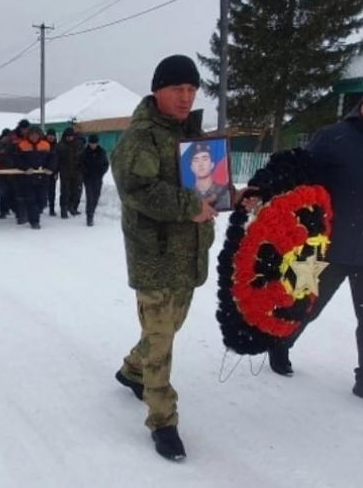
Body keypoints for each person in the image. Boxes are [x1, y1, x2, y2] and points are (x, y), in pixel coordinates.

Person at [267, 78, 363, 413]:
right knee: (306, 304)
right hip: (327, 245)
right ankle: (280, 343)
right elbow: (303, 179)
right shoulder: (333, 138)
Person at [112, 54, 218, 462]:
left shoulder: (193, 135)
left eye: (192, 90)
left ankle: (131, 370)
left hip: (190, 253)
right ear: (158, 89)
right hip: (154, 254)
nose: (186, 97)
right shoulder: (142, 136)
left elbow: (207, 187)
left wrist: (227, 197)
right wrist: (189, 205)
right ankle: (163, 420)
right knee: (162, 342)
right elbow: (136, 189)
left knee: (169, 328)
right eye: (178, 88)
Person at [15, 125, 51, 230]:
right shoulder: (22, 145)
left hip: (42, 178)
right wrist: (26, 168)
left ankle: (35, 213)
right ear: (29, 135)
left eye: (36, 135)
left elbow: (52, 158)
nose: (34, 137)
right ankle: (34, 221)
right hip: (28, 178)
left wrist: (49, 168)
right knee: (31, 200)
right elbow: (17, 160)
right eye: (32, 135)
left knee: (42, 201)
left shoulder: (45, 145)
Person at [187, 142, 230, 211]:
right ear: (191, 167)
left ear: (212, 164)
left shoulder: (224, 193)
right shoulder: (186, 196)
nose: (200, 164)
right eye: (196, 160)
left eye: (205, 159)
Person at [79, 133, 109, 227]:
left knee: (96, 196)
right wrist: (85, 172)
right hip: (88, 178)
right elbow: (80, 164)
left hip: (98, 178)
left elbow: (106, 164)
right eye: (91, 143)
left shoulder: (102, 152)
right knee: (90, 197)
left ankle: (92, 211)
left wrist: (101, 172)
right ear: (89, 143)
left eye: (94, 143)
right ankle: (89, 217)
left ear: (97, 143)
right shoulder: (84, 152)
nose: (93, 145)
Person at [56, 127, 83, 218]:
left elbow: (83, 157)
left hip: (77, 172)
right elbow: (56, 160)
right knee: (65, 192)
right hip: (65, 172)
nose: (69, 138)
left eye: (71, 136)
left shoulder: (79, 144)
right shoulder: (60, 146)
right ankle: (64, 210)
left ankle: (72, 208)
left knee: (76, 191)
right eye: (68, 136)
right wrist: (56, 172)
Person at [45, 129, 59, 216]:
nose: (51, 137)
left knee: (52, 192)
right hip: (42, 171)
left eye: (52, 135)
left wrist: (56, 172)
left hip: (53, 172)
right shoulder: (42, 145)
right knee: (42, 191)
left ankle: (52, 209)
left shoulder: (57, 147)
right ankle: (41, 206)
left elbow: (59, 160)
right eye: (49, 135)